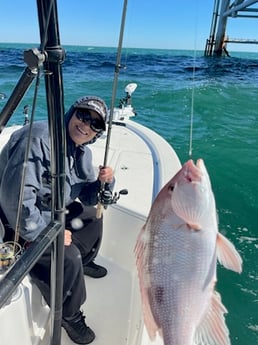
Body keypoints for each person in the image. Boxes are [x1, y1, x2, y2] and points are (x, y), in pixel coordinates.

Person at [0, 95, 114, 344]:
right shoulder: (39, 139)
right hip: (15, 222)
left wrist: (104, 182)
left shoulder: (81, 153)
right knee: (67, 255)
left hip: (49, 211)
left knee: (92, 217)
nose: (86, 126)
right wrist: (48, 234)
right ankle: (70, 315)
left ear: (97, 134)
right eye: (83, 115)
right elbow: (14, 201)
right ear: (71, 113)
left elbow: (87, 196)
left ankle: (82, 263)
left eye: (95, 124)